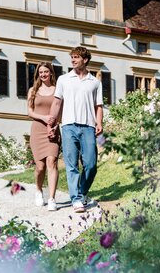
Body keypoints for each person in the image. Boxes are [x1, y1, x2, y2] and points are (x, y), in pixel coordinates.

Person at [48, 47, 103, 213]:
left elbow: (98, 106)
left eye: (76, 57)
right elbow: (57, 102)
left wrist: (99, 122)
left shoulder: (95, 82)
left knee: (91, 164)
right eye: (72, 57)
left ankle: (82, 192)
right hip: (68, 126)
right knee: (72, 165)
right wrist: (52, 124)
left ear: (85, 60)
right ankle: (77, 199)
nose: (73, 60)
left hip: (88, 126)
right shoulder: (64, 79)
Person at [28, 62, 60, 211]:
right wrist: (44, 118)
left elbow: (60, 111)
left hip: (53, 130)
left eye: (46, 71)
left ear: (51, 73)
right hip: (38, 129)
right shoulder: (33, 90)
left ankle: (52, 198)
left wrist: (54, 124)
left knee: (52, 162)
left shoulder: (58, 90)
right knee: (40, 167)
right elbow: (30, 112)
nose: (43, 74)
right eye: (40, 72)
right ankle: (39, 190)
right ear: (38, 74)